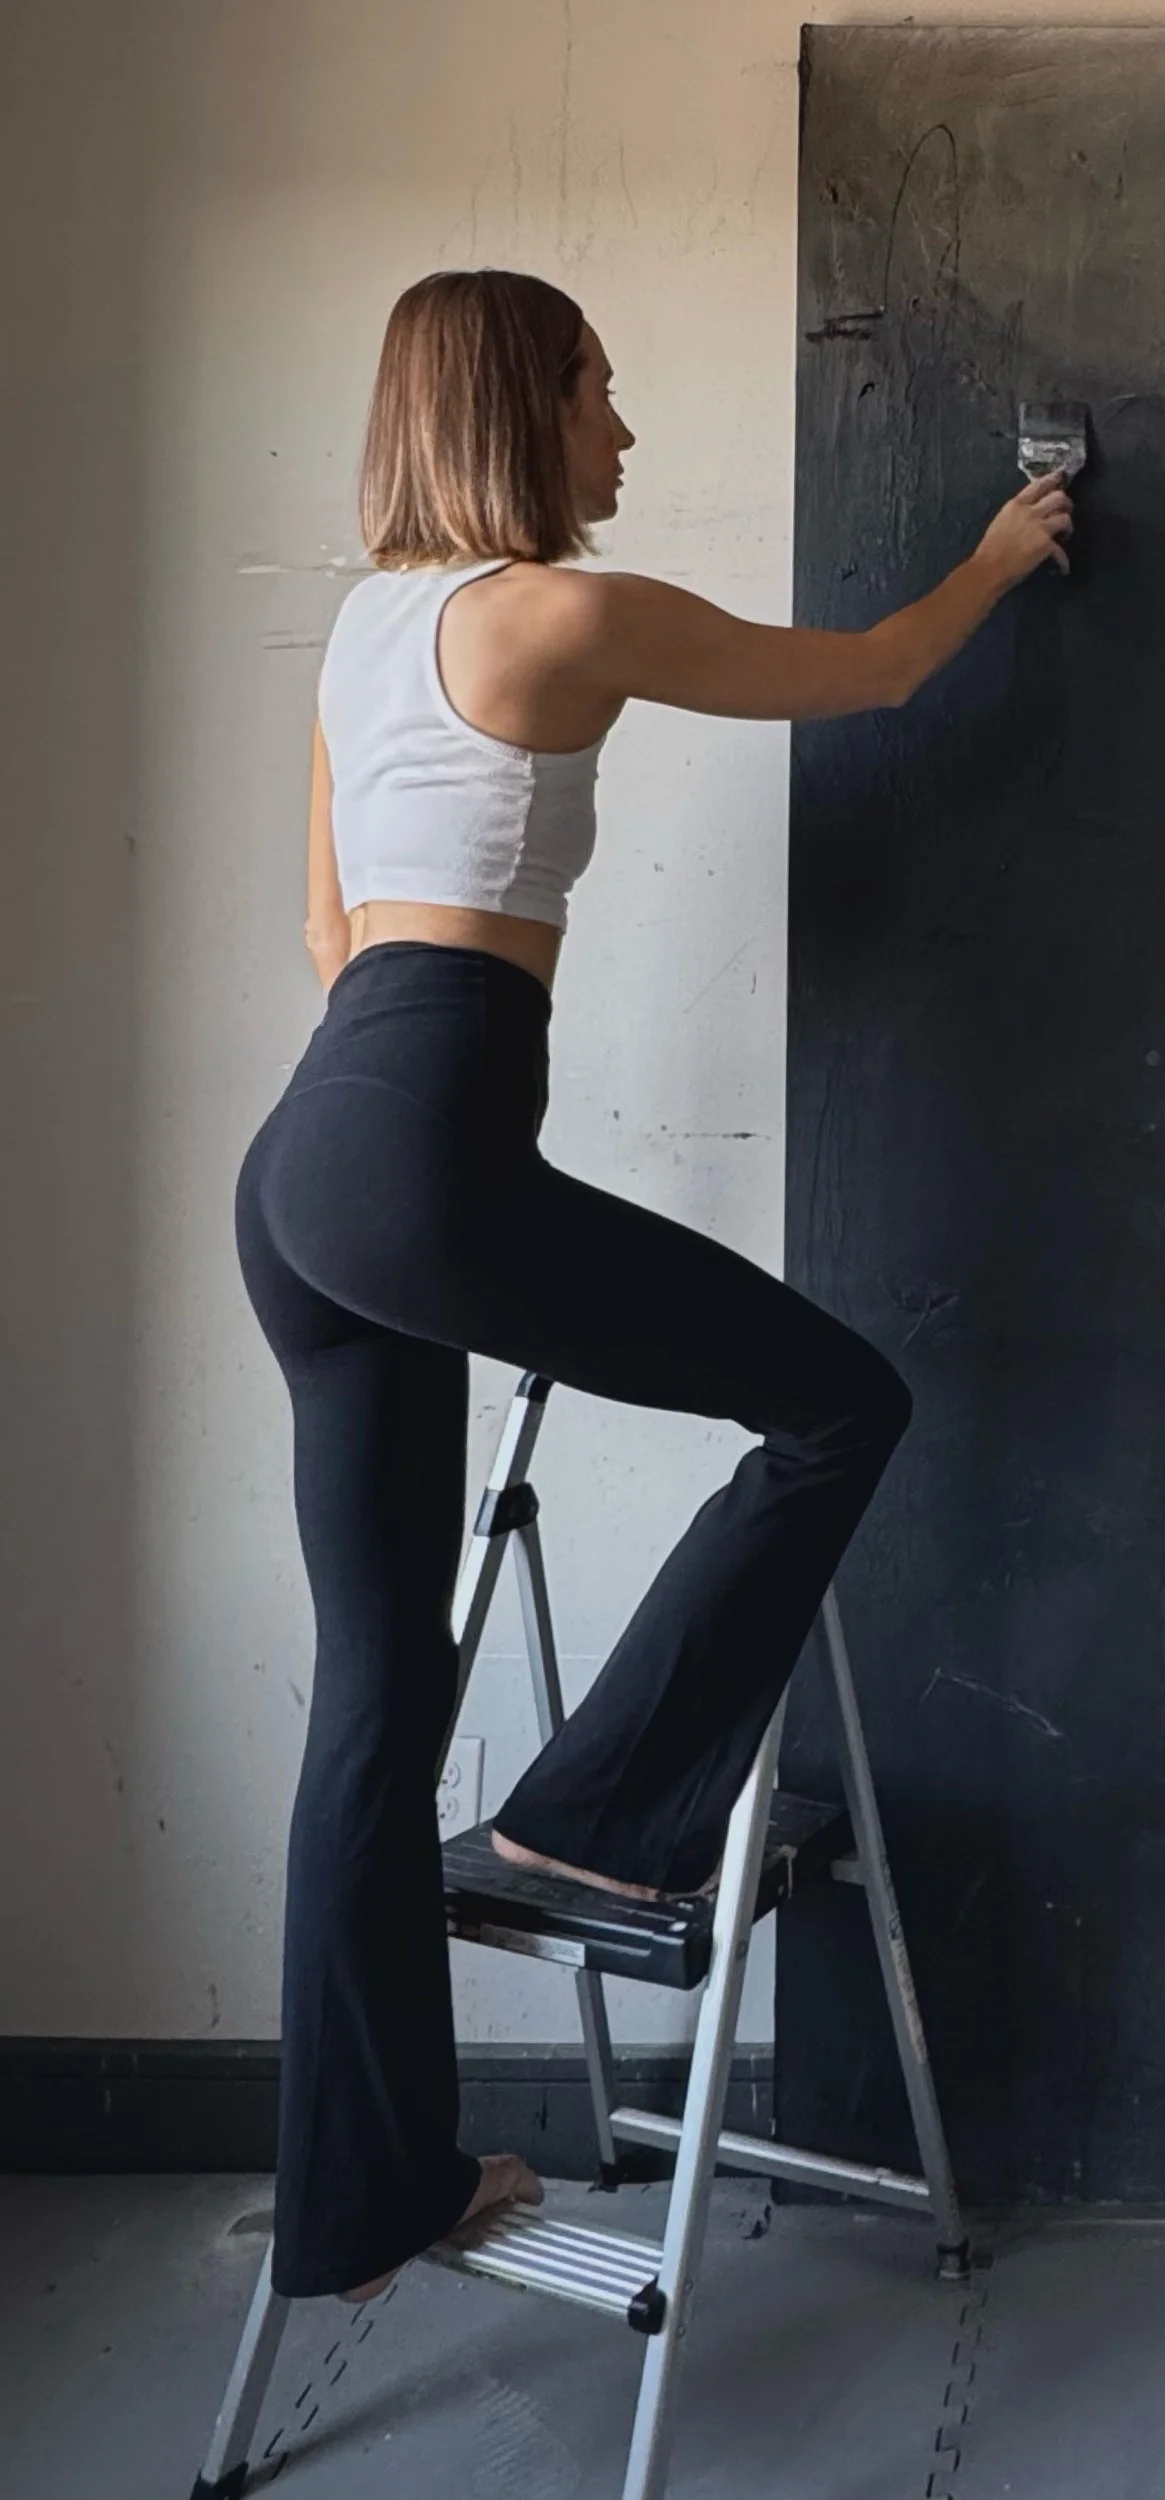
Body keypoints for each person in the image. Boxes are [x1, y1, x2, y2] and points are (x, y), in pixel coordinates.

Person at [231, 267, 1073, 2305]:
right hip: (419, 1151)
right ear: (525, 405)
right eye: (600, 395)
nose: (622, 433)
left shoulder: (363, 628)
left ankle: (365, 2190)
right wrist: (1001, 548)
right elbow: (871, 675)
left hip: (303, 1165)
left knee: (369, 1697)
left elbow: (335, 936)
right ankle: (595, 1819)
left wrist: (415, 1157)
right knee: (837, 1401)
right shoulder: (567, 614)